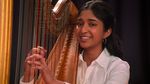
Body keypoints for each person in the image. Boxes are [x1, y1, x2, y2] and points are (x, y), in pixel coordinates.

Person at [20, 0, 130, 84]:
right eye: (79, 23)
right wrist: (28, 76)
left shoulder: (118, 67)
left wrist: (55, 82)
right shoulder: (66, 61)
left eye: (92, 24)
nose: (82, 30)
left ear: (106, 32)